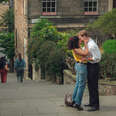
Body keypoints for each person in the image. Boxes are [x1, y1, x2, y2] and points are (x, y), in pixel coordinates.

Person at [78, 30, 101, 111]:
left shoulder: (92, 45)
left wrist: (86, 58)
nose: (80, 40)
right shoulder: (87, 43)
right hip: (90, 65)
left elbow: (97, 57)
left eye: (80, 38)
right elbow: (83, 51)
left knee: (94, 86)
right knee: (90, 85)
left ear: (84, 36)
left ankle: (96, 106)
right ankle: (91, 102)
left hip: (94, 66)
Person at [68, 36, 89, 111]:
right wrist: (86, 43)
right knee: (81, 85)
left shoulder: (76, 48)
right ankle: (78, 103)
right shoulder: (76, 49)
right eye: (79, 40)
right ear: (75, 42)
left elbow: (83, 55)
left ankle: (73, 100)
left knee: (78, 84)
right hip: (81, 66)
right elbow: (86, 53)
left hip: (79, 65)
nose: (81, 41)